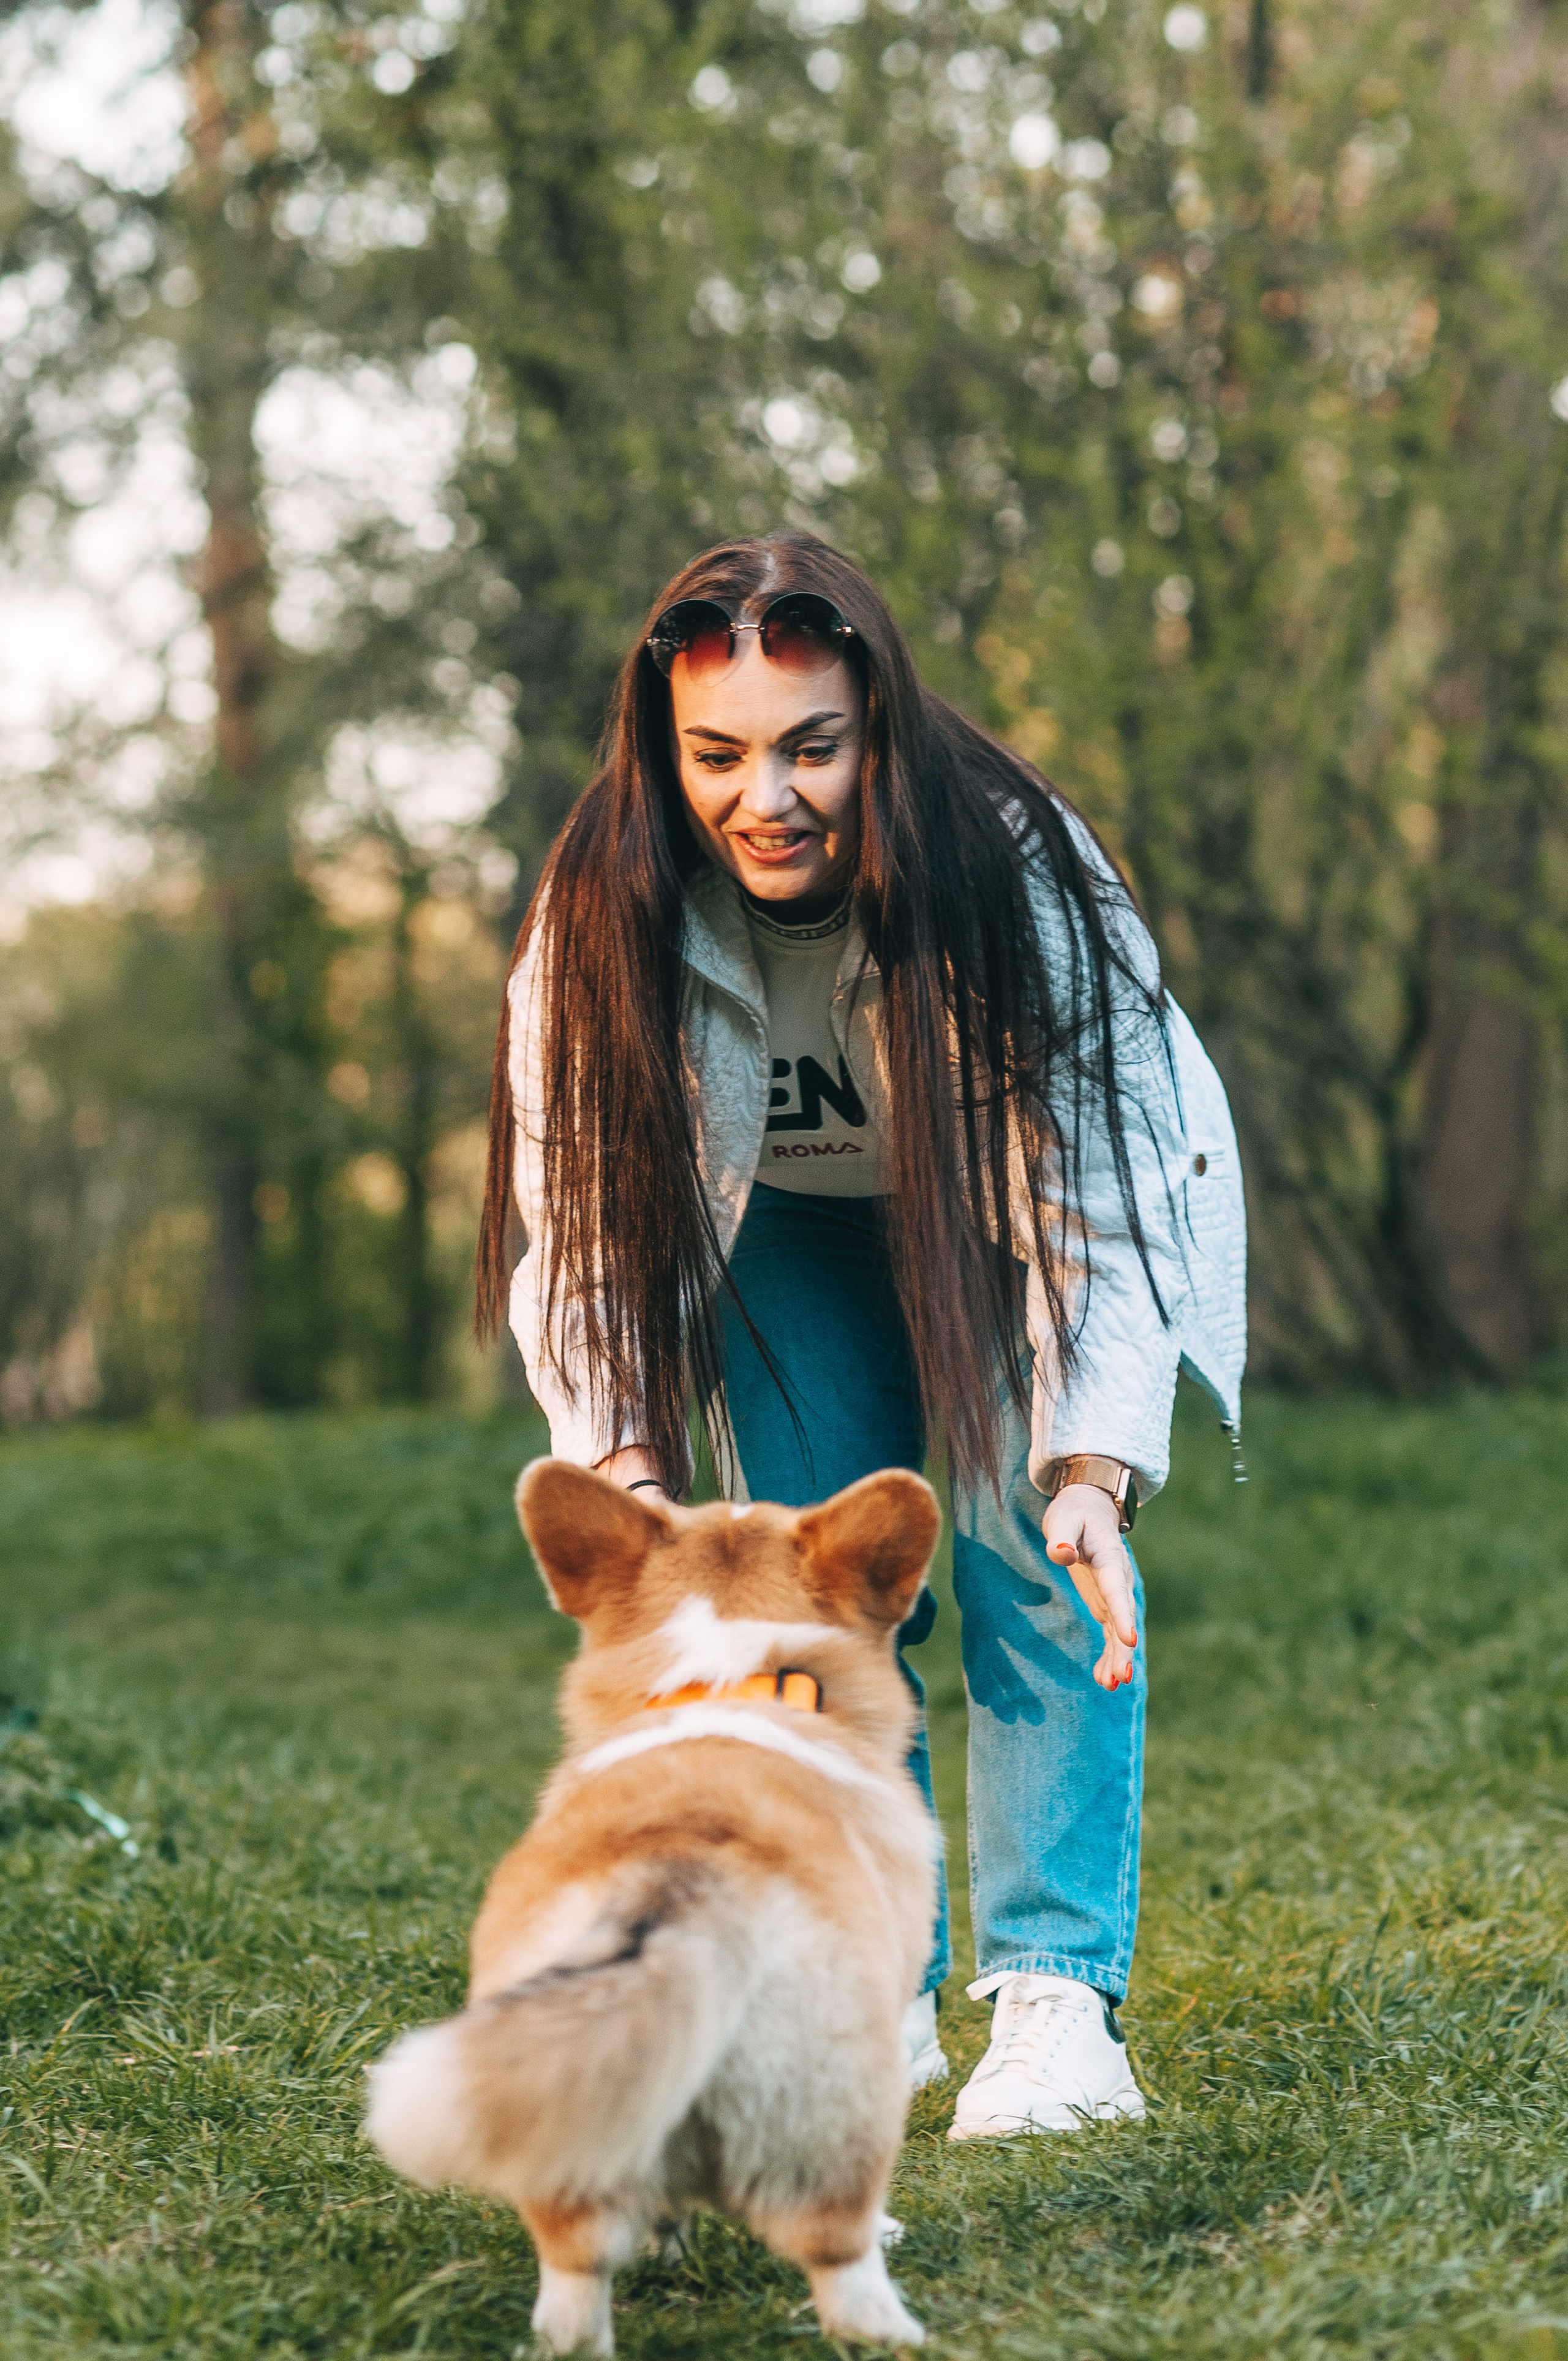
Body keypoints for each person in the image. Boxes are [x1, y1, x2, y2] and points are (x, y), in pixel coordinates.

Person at [477, 529, 1245, 2137]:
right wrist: (620, 1471)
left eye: (813, 745)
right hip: (791, 1232)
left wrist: (1092, 1464)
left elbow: (1100, 1198)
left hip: (1013, 1222)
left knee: (1034, 1561)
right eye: (721, 754)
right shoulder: (601, 907)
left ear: (875, 728)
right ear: (664, 747)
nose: (769, 795)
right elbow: (590, 1226)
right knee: (812, 1609)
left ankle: (1057, 2019)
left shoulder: (1016, 870)